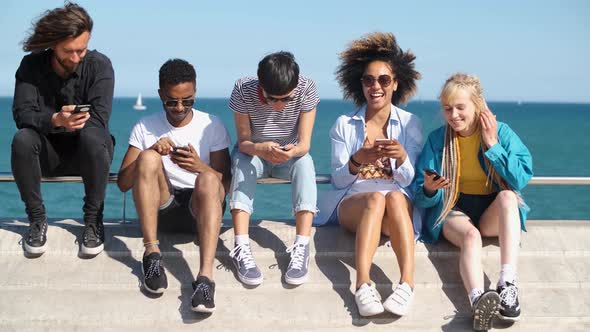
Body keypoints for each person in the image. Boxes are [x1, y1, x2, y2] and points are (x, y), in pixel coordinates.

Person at [414, 73, 533, 331]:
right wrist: (430, 189)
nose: (453, 115)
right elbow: (420, 196)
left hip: (491, 211)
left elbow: (521, 177)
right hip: (453, 210)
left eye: (460, 107)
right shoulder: (438, 140)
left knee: (508, 196)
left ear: (477, 105)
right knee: (470, 237)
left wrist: (492, 145)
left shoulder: (501, 133)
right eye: (447, 109)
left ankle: (507, 285)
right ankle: (478, 300)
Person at [316, 32, 423, 317]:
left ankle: (407, 285)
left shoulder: (411, 124)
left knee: (396, 199)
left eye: (384, 80)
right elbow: (339, 180)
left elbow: (410, 181)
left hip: (396, 205)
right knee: (376, 197)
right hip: (356, 201)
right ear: (360, 84)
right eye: (368, 80)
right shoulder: (344, 124)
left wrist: (401, 158)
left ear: (395, 83)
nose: (376, 86)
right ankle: (363, 284)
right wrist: (357, 159)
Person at [117, 59, 231, 313]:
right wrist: (152, 150)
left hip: (199, 212)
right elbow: (123, 184)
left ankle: (205, 280)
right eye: (171, 101)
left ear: (195, 92)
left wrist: (199, 167)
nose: (179, 107)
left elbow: (226, 185)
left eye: (187, 100)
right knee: (146, 158)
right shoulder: (145, 126)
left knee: (209, 178)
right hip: (160, 210)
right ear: (160, 95)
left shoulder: (212, 124)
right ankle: (152, 255)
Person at [11, 3, 114, 257]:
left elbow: (99, 118)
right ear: (53, 44)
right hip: (46, 155)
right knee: (22, 139)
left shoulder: (100, 66)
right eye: (69, 51)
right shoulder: (30, 66)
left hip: (89, 154)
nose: (76, 58)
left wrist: (70, 122)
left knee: (94, 135)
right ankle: (37, 221)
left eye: (82, 49)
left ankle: (93, 221)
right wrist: (56, 120)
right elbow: (22, 114)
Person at [227, 51, 319, 286]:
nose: (279, 105)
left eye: (286, 99)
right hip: (254, 154)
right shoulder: (242, 89)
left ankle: (302, 246)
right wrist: (261, 148)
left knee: (305, 163)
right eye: (271, 99)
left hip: (289, 157)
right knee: (241, 162)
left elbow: (304, 144)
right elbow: (244, 142)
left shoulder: (307, 88)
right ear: (261, 86)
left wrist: (290, 152)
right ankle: (241, 245)